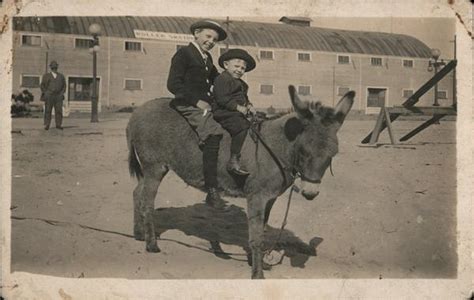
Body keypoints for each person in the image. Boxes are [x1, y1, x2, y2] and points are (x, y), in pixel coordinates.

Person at [167, 20, 228, 209]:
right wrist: (196, 101)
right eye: (208, 37)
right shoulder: (184, 54)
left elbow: (217, 80)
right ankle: (211, 190)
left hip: (204, 103)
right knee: (213, 133)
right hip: (188, 103)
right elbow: (173, 84)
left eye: (215, 40)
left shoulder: (207, 58)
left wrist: (234, 83)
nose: (210, 42)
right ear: (196, 34)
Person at [213, 49, 256, 176]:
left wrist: (249, 106)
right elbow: (222, 98)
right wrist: (238, 107)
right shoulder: (222, 79)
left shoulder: (242, 84)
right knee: (241, 127)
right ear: (226, 65)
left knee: (258, 122)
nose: (239, 70)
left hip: (237, 112)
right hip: (223, 112)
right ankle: (233, 160)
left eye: (243, 68)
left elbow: (245, 99)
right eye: (236, 66)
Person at [40, 60, 66, 130]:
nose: (54, 68)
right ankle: (47, 124)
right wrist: (46, 93)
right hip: (49, 96)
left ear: (57, 67)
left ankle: (58, 124)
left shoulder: (61, 76)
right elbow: (42, 86)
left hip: (58, 96)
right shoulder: (46, 76)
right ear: (51, 67)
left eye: (55, 67)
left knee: (59, 111)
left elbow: (64, 86)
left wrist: (61, 93)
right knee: (48, 110)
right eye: (53, 67)